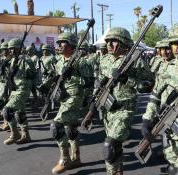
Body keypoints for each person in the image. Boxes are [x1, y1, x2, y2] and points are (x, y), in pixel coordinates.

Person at [81, 27, 153, 175]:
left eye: (114, 41)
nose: (109, 44)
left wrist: (126, 79)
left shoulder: (134, 60)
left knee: (110, 145)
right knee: (116, 145)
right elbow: (101, 81)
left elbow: (148, 83)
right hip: (108, 108)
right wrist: (94, 102)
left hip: (125, 109)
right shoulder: (105, 59)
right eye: (108, 41)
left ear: (124, 43)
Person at [46, 32, 90, 174]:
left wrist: (73, 75)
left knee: (56, 126)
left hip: (76, 97)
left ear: (71, 45)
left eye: (62, 42)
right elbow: (59, 79)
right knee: (70, 128)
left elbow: (89, 82)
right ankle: (76, 158)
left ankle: (65, 160)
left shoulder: (81, 62)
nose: (58, 45)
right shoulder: (59, 61)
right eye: (58, 43)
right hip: (64, 98)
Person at [141, 26, 178, 175]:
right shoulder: (168, 67)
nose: (176, 48)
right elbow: (155, 95)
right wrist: (147, 119)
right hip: (169, 119)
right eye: (174, 43)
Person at [2, 38, 36, 145]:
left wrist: (22, 70)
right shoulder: (12, 60)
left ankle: (15, 134)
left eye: (13, 49)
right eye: (10, 49)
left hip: (23, 89)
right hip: (15, 89)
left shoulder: (26, 59)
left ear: (18, 48)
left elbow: (33, 74)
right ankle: (26, 135)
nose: (11, 51)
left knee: (7, 110)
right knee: (19, 113)